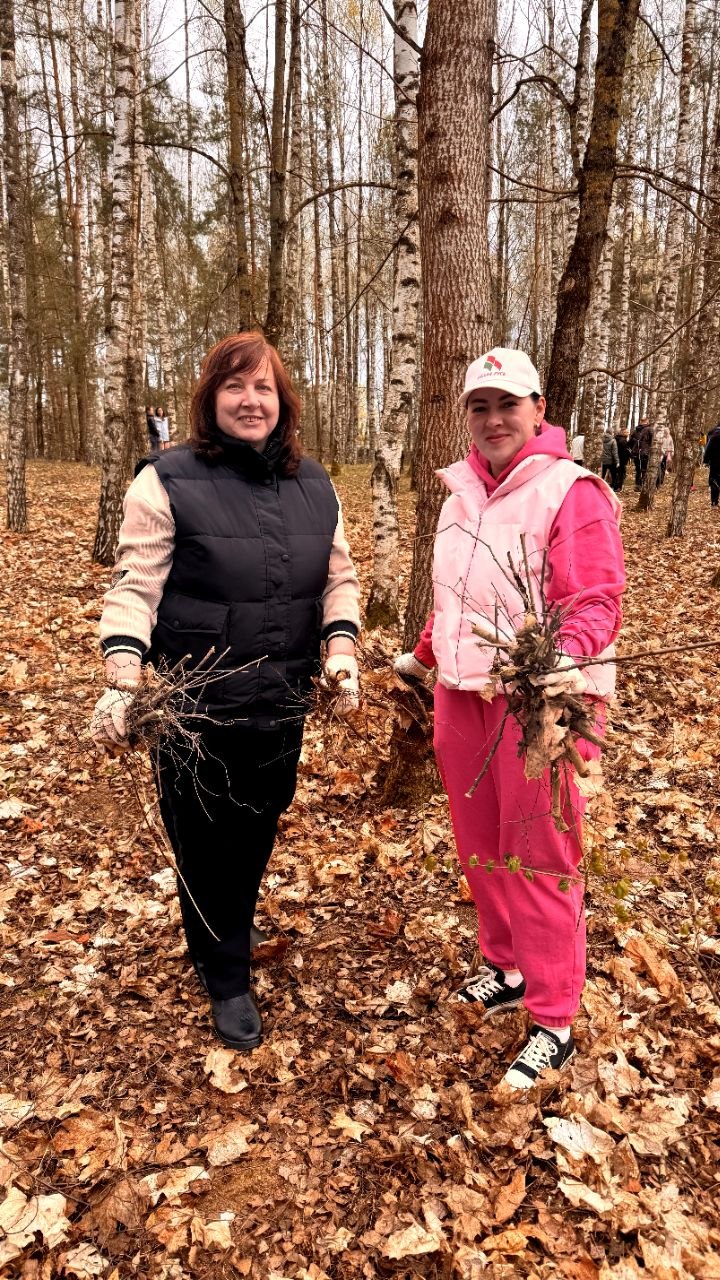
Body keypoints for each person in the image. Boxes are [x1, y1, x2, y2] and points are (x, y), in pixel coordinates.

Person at [90, 333, 361, 1051]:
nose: (251, 400)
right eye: (235, 387)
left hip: (279, 704)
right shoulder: (165, 479)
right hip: (193, 712)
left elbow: (338, 578)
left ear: (283, 400)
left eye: (264, 387)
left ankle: (227, 925)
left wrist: (340, 651)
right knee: (205, 845)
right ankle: (225, 976)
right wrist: (123, 679)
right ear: (211, 399)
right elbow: (135, 586)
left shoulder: (317, 484)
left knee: (258, 828)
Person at [394, 348, 624, 1091]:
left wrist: (565, 655)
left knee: (539, 851)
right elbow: (458, 592)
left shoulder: (570, 490)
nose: (494, 420)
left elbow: (596, 598)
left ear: (537, 407)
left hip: (537, 703)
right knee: (480, 843)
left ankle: (554, 1017)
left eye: (508, 405)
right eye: (479, 407)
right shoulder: (459, 492)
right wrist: (425, 655)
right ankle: (508, 966)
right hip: (461, 694)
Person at [628, 416, 652, 489]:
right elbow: (652, 442)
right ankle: (641, 485)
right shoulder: (649, 430)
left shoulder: (635, 431)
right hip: (645, 453)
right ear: (647, 421)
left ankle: (638, 485)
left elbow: (630, 443)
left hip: (637, 453)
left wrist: (633, 450)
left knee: (638, 469)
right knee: (644, 469)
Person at [704, 423, 720, 507]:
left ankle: (714, 502)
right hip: (715, 462)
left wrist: (706, 460)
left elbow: (708, 449)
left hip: (715, 462)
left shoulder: (713, 435)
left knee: (714, 480)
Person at [614, 427, 630, 492]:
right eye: (627, 432)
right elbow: (625, 452)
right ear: (623, 433)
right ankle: (618, 487)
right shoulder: (623, 441)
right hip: (621, 460)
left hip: (615, 459)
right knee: (621, 474)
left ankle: (615, 486)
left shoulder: (615, 439)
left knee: (615, 473)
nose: (628, 433)